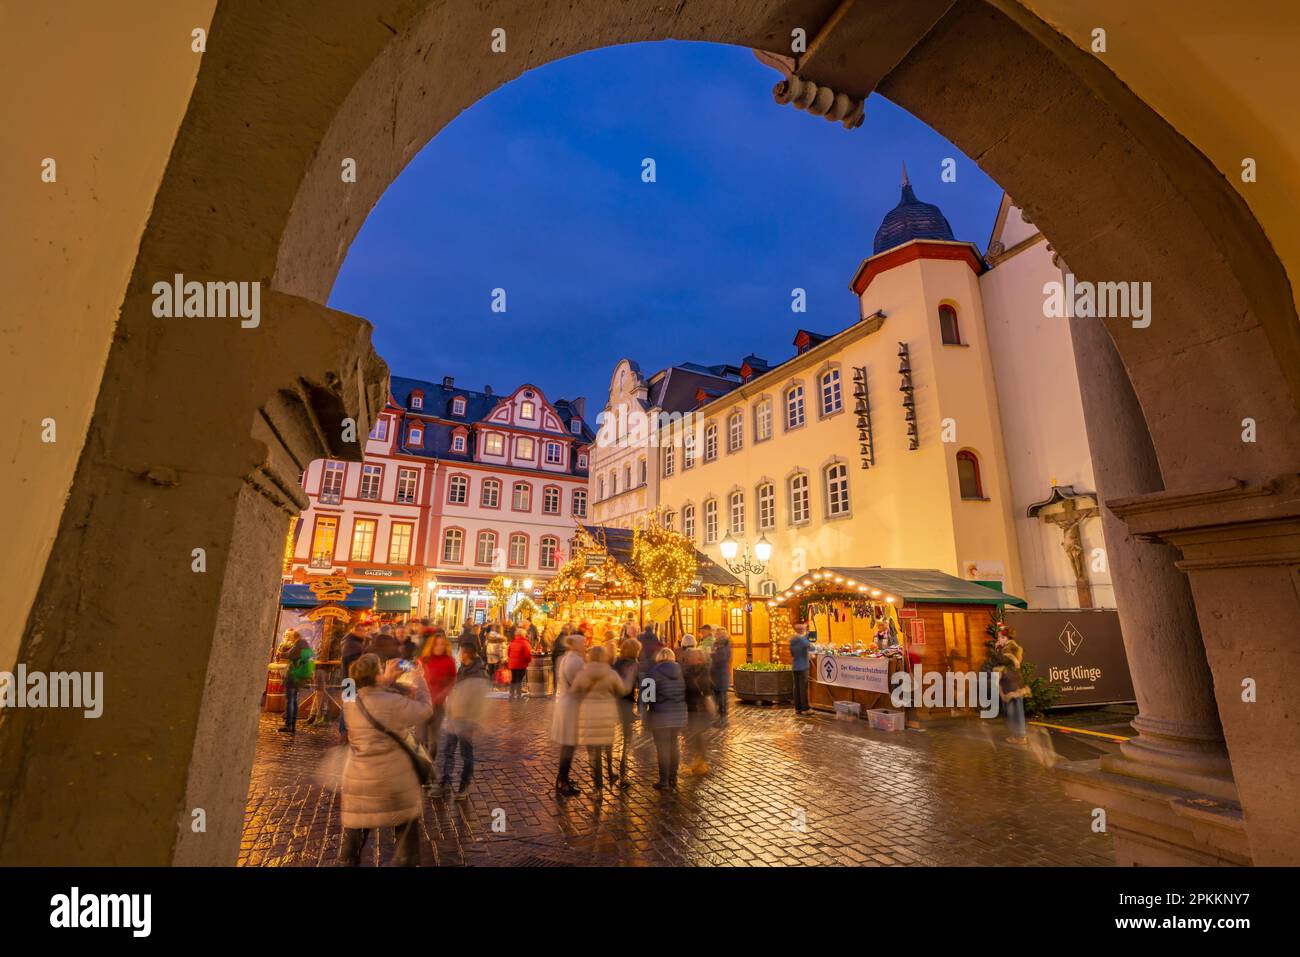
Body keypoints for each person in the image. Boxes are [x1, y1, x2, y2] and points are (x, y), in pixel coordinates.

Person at [338, 654, 433, 866]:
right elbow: (425, 710)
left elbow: (365, 694)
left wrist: (384, 680)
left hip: (359, 778)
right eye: (380, 669)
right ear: (376, 674)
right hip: (394, 781)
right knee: (405, 839)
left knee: (352, 843)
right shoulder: (393, 702)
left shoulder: (349, 698)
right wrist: (420, 679)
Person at [570, 645, 629, 792]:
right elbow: (622, 691)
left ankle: (597, 784)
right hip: (607, 716)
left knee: (592, 752)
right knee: (606, 747)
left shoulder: (583, 674)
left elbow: (573, 693)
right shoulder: (611, 674)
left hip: (588, 716)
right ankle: (609, 774)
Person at [439, 643, 489, 798]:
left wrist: (472, 720)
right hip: (454, 715)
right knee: (448, 750)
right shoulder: (463, 668)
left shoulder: (477, 674)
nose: (459, 654)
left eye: (460, 651)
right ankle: (445, 782)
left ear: (466, 654)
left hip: (466, 719)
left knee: (466, 753)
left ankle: (464, 785)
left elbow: (478, 701)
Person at [551, 633, 587, 796]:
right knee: (569, 745)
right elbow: (580, 684)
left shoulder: (567, 658)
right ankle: (562, 781)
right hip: (571, 706)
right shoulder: (575, 661)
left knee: (568, 744)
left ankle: (562, 777)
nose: (586, 645)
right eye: (583, 643)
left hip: (567, 704)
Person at [647, 648, 687, 790]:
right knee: (673, 745)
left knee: (662, 747)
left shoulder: (653, 672)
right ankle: (673, 777)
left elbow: (647, 696)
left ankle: (663, 779)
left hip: (660, 715)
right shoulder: (680, 670)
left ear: (658, 657)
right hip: (678, 714)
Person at [419, 629, 457, 759]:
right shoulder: (424, 659)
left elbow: (452, 681)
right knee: (421, 737)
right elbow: (413, 674)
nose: (439, 647)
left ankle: (430, 763)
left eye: (442, 644)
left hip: (438, 706)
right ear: (432, 645)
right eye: (437, 644)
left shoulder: (449, 661)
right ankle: (421, 765)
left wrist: (443, 694)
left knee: (433, 739)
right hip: (422, 704)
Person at [991, 625, 1029, 745]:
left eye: (1000, 638)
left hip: (1011, 684)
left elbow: (1001, 662)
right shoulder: (1012, 648)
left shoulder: (1008, 650)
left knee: (1013, 712)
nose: (998, 640)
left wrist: (995, 650)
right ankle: (1019, 735)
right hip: (1015, 683)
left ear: (1005, 638)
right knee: (1015, 710)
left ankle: (1019, 736)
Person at [611, 637, 641, 788]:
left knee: (610, 739)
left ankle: (611, 770)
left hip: (613, 703)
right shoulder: (635, 665)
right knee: (627, 739)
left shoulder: (616, 663)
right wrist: (644, 707)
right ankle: (623, 772)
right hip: (626, 704)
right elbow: (643, 686)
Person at [681, 647, 715, 774]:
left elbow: (705, 690)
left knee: (697, 735)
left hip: (699, 709)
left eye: (691, 656)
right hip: (692, 707)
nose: (688, 658)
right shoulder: (690, 670)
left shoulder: (702, 671)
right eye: (688, 656)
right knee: (695, 736)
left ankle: (700, 763)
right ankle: (699, 761)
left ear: (698, 659)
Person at [337, 622, 370, 742]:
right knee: (348, 706)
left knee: (348, 705)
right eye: (364, 631)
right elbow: (353, 666)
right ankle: (344, 732)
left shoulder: (351, 642)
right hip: (351, 681)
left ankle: (346, 731)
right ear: (357, 631)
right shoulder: (353, 645)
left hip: (348, 680)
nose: (366, 634)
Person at [278, 629, 314, 735]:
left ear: (295, 637)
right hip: (299, 677)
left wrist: (281, 654)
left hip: (293, 676)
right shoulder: (305, 644)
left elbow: (290, 655)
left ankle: (289, 725)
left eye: (292, 636)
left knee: (291, 700)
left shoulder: (299, 644)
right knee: (294, 700)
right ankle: (291, 725)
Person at [709, 631, 732, 721]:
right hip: (715, 673)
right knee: (716, 692)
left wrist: (712, 656)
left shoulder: (725, 646)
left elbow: (722, 658)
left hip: (721, 673)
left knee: (722, 694)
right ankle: (718, 712)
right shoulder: (716, 644)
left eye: (717, 635)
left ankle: (722, 712)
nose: (715, 636)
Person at [790, 621, 812, 715]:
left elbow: (792, 653)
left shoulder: (792, 639)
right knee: (803, 688)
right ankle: (805, 708)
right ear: (801, 630)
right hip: (803, 666)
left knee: (797, 688)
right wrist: (807, 637)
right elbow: (811, 647)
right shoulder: (802, 639)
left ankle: (797, 708)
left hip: (795, 666)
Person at [507, 627, 533, 700]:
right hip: (521, 665)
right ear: (523, 635)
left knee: (513, 679)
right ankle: (518, 695)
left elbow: (508, 653)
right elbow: (528, 655)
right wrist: (528, 661)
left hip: (512, 664)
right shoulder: (525, 643)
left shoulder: (512, 642)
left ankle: (511, 694)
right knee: (519, 680)